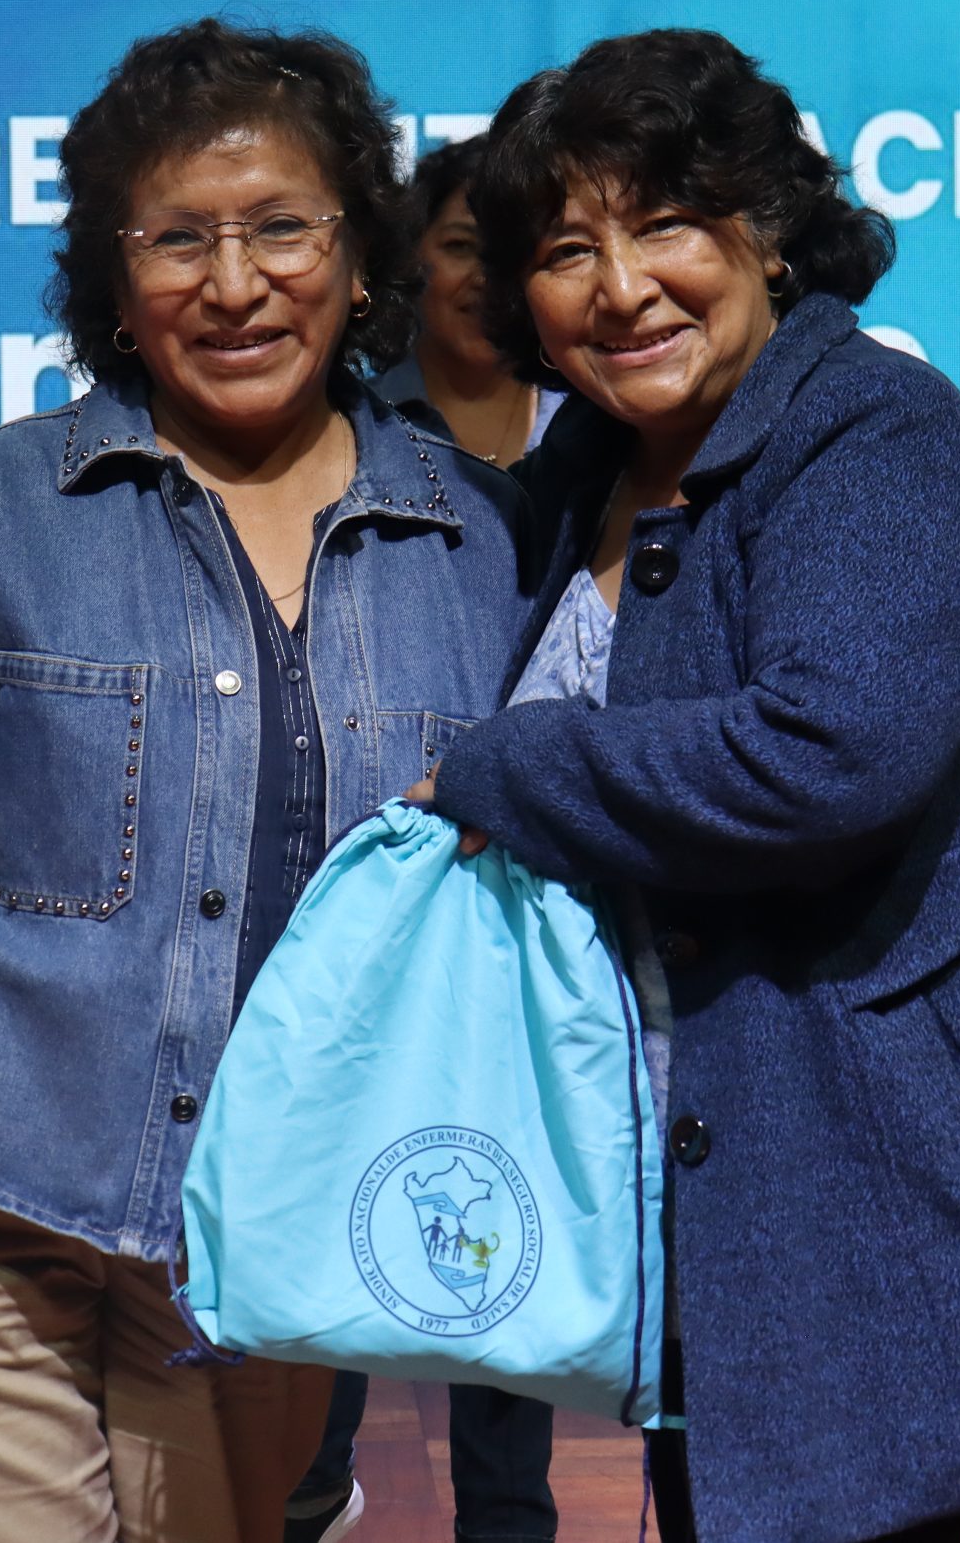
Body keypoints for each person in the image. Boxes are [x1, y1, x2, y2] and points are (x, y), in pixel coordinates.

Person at [0, 19, 537, 1543]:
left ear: (362, 259)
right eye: (177, 239)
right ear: (113, 279)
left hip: (273, 1218)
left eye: (283, 228)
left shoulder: (481, 540)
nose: (234, 284)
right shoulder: (3, 509)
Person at [415, 27, 960, 1543]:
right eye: (565, 250)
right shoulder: (589, 465)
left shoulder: (880, 431)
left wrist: (504, 767)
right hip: (692, 1163)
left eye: (666, 224)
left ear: (767, 231)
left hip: (864, 1164)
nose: (620, 286)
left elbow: (822, 758)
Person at [283, 135, 562, 1543]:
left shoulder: (607, 430)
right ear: (402, 264)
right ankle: (307, 1496)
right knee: (325, 1248)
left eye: (516, 249)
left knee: (495, 1250)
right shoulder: (340, 430)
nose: (488, 276)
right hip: (363, 914)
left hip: (526, 914)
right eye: (460, 244)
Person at [370, 135, 566, 465]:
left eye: (508, 252)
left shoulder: (588, 419)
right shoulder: (354, 425)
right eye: (460, 246)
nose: (485, 279)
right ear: (408, 255)